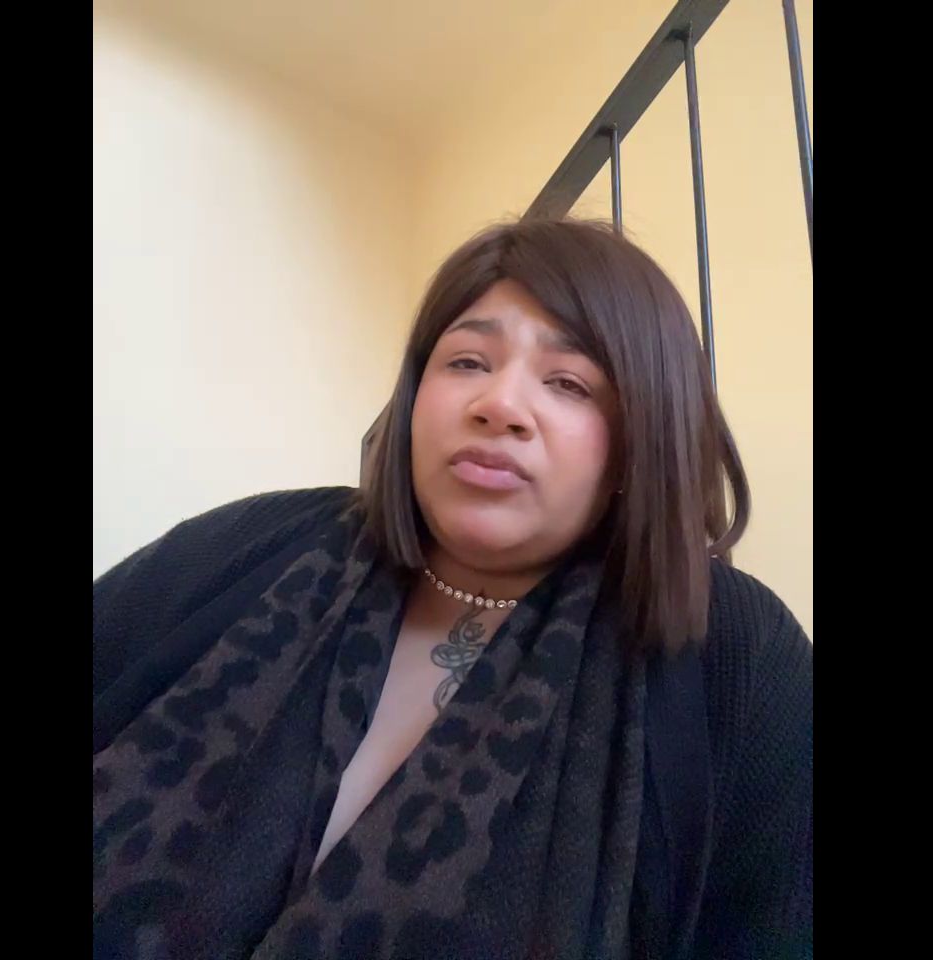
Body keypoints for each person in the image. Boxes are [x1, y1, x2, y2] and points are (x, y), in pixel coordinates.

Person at [93, 217, 812, 960]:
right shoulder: (257, 542)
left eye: (568, 383)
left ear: (642, 438)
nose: (499, 404)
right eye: (467, 361)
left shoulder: (735, 653)